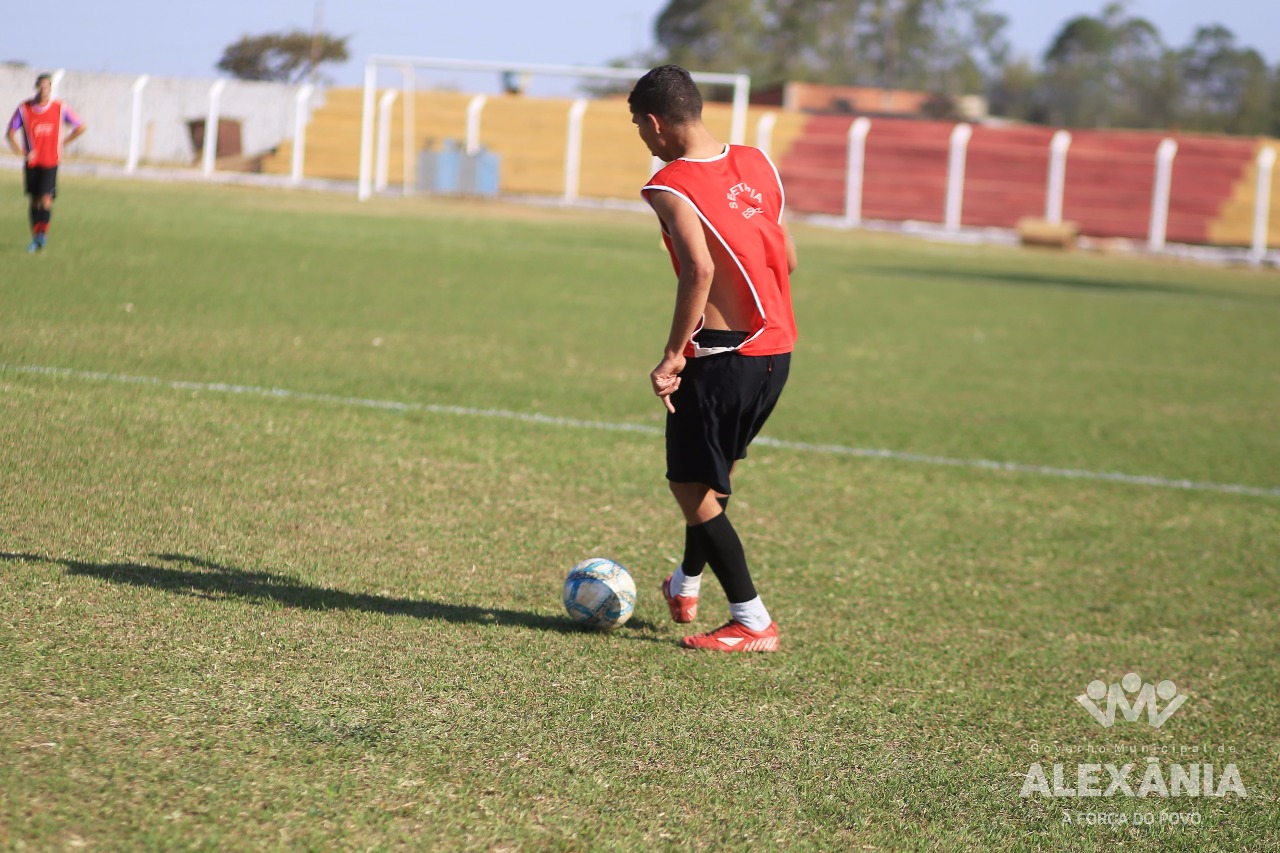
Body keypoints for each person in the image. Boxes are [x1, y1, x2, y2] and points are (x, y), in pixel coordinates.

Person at [628, 65, 798, 653]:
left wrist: (674, 354)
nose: (644, 141)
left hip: (723, 357)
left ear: (655, 123)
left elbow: (699, 267)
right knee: (711, 482)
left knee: (689, 489)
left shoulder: (669, 185)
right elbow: (788, 256)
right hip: (776, 349)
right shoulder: (758, 163)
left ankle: (753, 621)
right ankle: (685, 583)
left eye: (639, 128)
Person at [7, 73, 86, 252]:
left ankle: (42, 235)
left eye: (47, 88)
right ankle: (36, 237)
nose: (44, 91)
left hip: (51, 160)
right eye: (41, 87)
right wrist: (22, 153)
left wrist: (63, 142)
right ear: (36, 87)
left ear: (51, 89)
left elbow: (81, 126)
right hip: (32, 163)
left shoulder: (60, 107)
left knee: (46, 198)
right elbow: (10, 133)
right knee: (34, 200)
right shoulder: (25, 109)